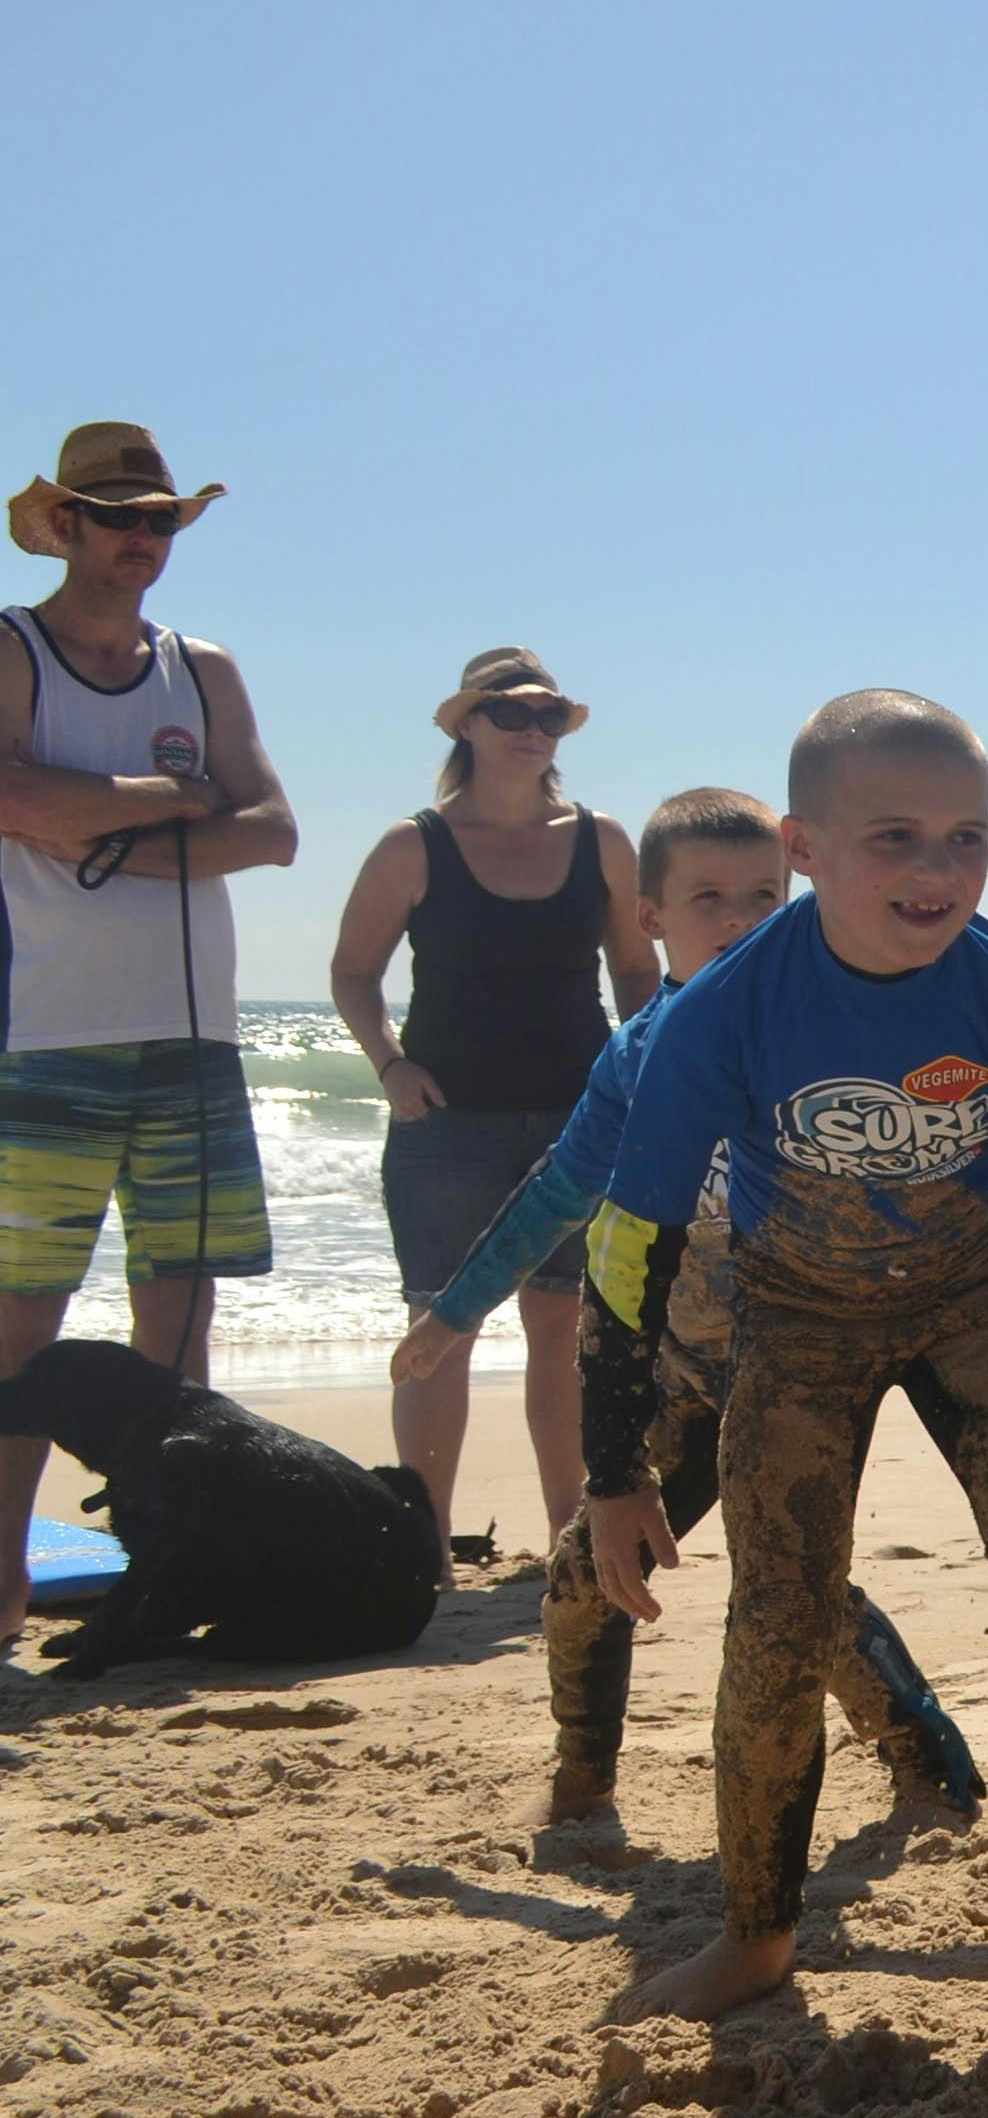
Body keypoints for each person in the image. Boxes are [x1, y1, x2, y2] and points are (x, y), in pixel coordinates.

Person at [578, 691, 988, 2021]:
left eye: (966, 839)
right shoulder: (726, 1012)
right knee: (777, 1621)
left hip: (976, 1300)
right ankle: (756, 1937)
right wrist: (614, 1473)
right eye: (896, 840)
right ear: (804, 847)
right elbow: (627, 1242)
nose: (936, 875)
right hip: (797, 1315)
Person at [391, 787, 979, 1829]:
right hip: (681, 1381)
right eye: (709, 897)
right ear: (649, 917)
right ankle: (584, 1785)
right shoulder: (637, 1054)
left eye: (764, 892)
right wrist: (453, 1313)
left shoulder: (818, 1032)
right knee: (581, 1580)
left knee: (795, 1584)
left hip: (798, 1376)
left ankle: (931, 1768)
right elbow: (559, 1194)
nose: (743, 918)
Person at [0, 423, 295, 1648]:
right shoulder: (14, 648)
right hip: (44, 1041)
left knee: (180, 1311)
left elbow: (273, 829)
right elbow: (12, 798)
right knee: (22, 1319)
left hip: (194, 1041)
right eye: (117, 515)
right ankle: (2, 1589)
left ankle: (167, 1568)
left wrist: (96, 827)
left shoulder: (203, 667)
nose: (141, 538)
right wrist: (171, 802)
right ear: (61, 524)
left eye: (161, 518)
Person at [331, 650, 657, 1566]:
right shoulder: (413, 844)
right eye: (508, 713)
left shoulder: (602, 840)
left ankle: (572, 1537)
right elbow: (354, 972)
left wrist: (642, 1066)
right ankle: (423, 1549)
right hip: (447, 1127)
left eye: (546, 715)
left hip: (577, 1122)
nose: (529, 731)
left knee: (564, 1327)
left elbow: (637, 968)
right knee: (442, 1326)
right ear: (465, 725)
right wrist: (390, 1065)